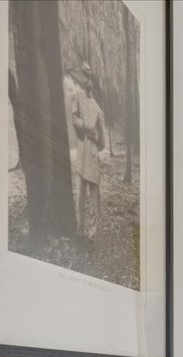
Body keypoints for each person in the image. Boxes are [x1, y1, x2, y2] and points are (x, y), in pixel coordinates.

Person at [70, 63, 106, 242]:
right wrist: (85, 127)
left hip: (92, 154)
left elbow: (103, 143)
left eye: (89, 77)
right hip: (82, 150)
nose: (87, 80)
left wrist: (97, 138)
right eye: (85, 76)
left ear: (92, 80)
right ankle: (80, 231)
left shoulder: (96, 105)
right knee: (79, 195)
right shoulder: (77, 96)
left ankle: (92, 234)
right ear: (81, 78)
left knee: (94, 197)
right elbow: (74, 117)